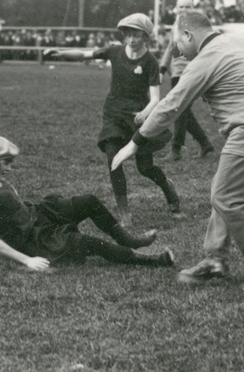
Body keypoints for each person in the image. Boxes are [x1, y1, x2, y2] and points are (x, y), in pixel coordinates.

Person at [110, 9, 244, 294]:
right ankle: (215, 259)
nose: (177, 50)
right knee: (225, 192)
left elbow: (171, 106)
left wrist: (135, 143)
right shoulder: (238, 39)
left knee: (226, 198)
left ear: (188, 35)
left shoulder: (204, 60)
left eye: (177, 43)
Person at [0, 136, 174, 271]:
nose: (10, 170)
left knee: (88, 201)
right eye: (5, 164)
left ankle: (128, 240)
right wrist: (27, 260)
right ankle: (152, 261)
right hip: (30, 238)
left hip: (37, 215)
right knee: (86, 242)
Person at [48, 13, 180, 223]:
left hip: (138, 118)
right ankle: (123, 210)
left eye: (136, 35)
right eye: (128, 34)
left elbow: (155, 98)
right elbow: (85, 55)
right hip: (113, 115)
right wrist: (61, 53)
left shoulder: (150, 62)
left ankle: (167, 187)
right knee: (113, 159)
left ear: (145, 37)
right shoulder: (114, 51)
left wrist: (145, 113)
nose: (131, 39)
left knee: (145, 168)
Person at [159, 0, 216, 162]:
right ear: (176, 8)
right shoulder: (176, 27)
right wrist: (162, 69)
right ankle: (205, 144)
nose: (184, 9)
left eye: (187, 7)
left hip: (193, 71)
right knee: (183, 111)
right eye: (181, 7)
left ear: (194, 8)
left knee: (179, 109)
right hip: (177, 73)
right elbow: (170, 48)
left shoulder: (199, 26)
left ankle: (176, 149)